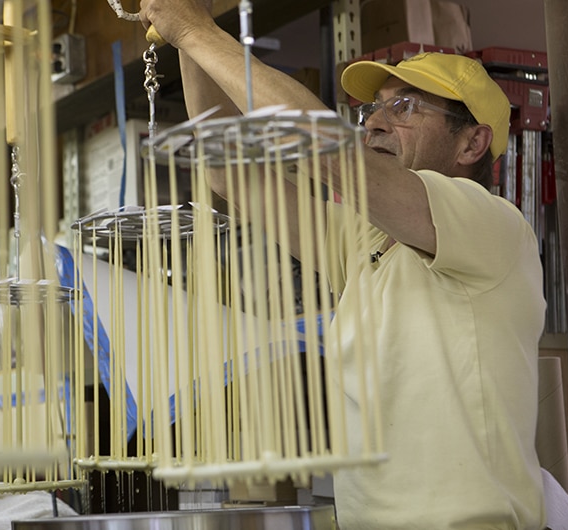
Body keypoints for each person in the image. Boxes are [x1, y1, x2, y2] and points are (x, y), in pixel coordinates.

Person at [139, 0, 547, 528]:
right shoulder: (363, 239)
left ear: (472, 142)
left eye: (403, 108)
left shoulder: (493, 224)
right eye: (369, 110)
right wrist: (188, 40)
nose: (373, 123)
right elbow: (227, 170)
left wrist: (194, 29)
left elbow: (327, 153)